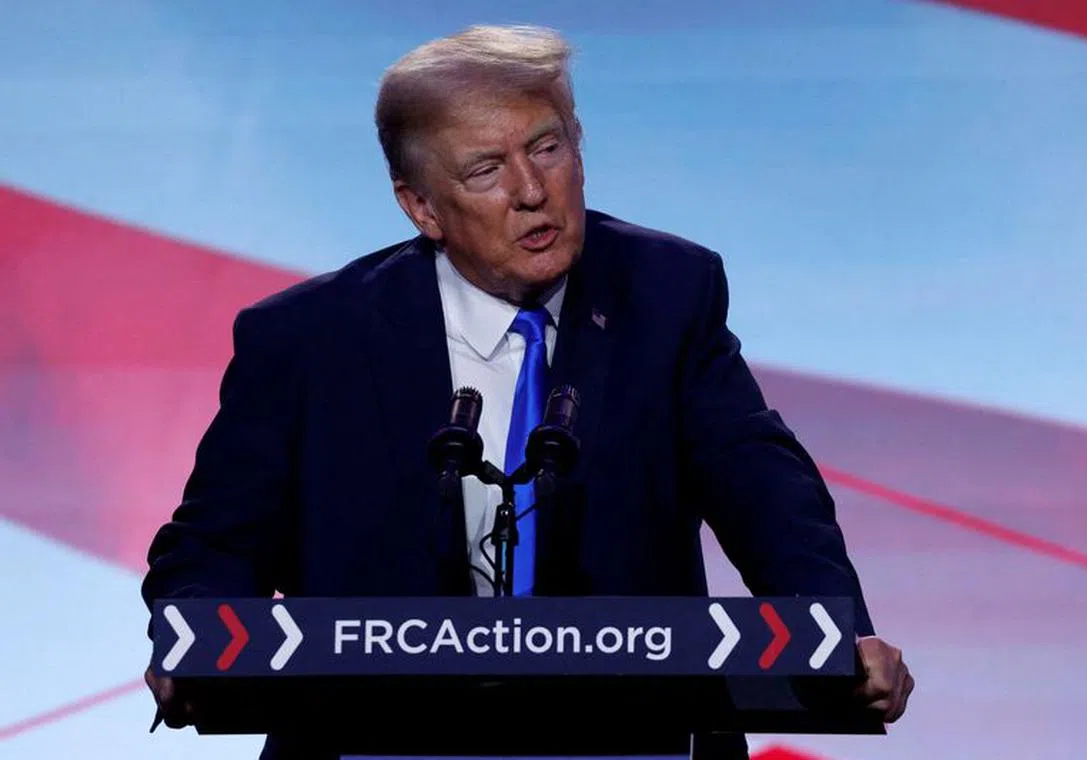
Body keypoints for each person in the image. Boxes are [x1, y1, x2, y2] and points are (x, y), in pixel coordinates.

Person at [142, 24, 913, 759]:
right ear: (420, 206)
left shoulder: (666, 292)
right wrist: (193, 638)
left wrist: (832, 626)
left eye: (548, 147)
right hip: (368, 741)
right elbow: (216, 540)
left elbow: (762, 487)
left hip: (635, 740)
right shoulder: (309, 339)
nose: (530, 190)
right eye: (486, 170)